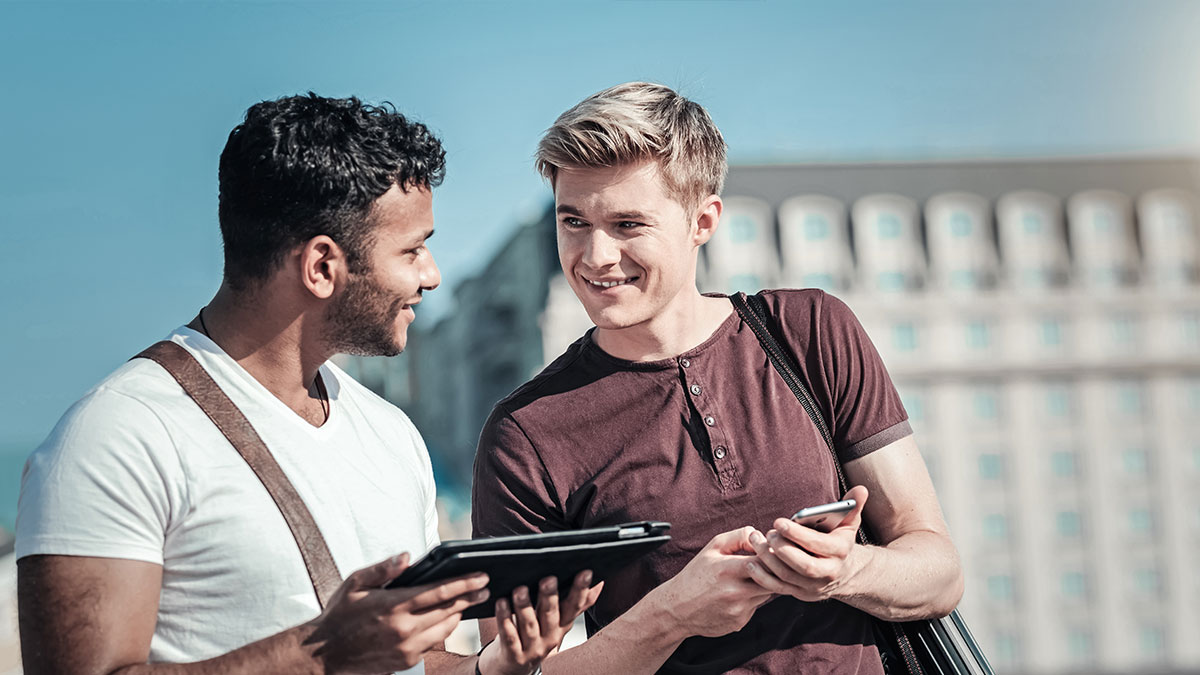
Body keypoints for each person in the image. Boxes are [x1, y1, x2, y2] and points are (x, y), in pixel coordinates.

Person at [16, 93, 598, 675]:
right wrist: (319, 654)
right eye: (412, 249)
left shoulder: (392, 434)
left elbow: (413, 664)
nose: (432, 275)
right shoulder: (114, 436)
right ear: (322, 267)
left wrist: (495, 667)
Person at [471, 82, 964, 674]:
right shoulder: (526, 433)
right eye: (573, 221)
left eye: (628, 225)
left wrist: (845, 571)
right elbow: (507, 669)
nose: (594, 255)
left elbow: (939, 573)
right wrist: (671, 617)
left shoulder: (809, 332)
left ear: (703, 220)